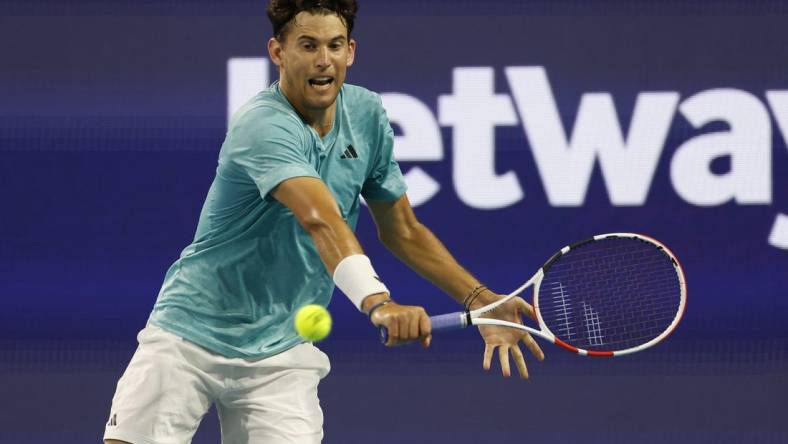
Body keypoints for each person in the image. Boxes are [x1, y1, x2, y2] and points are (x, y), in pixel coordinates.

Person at [104, 1, 544, 443]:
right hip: (190, 334)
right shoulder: (263, 124)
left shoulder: (367, 115)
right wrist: (379, 303)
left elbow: (402, 230)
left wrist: (480, 300)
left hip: (282, 353)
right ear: (277, 52)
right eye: (308, 45)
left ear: (350, 51)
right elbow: (321, 220)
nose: (323, 60)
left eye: (334, 46)